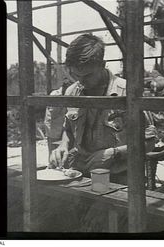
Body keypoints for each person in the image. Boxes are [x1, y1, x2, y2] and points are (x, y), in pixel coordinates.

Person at [49, 34, 156, 184]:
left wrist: (114, 153)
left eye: (87, 75)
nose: (81, 82)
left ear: (102, 64)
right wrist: (63, 145)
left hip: (120, 178)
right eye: (76, 75)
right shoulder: (72, 91)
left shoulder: (128, 91)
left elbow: (149, 141)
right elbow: (68, 129)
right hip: (81, 173)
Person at [44, 77, 73, 158]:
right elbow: (54, 112)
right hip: (53, 126)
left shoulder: (69, 94)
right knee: (53, 149)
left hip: (62, 125)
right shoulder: (55, 94)